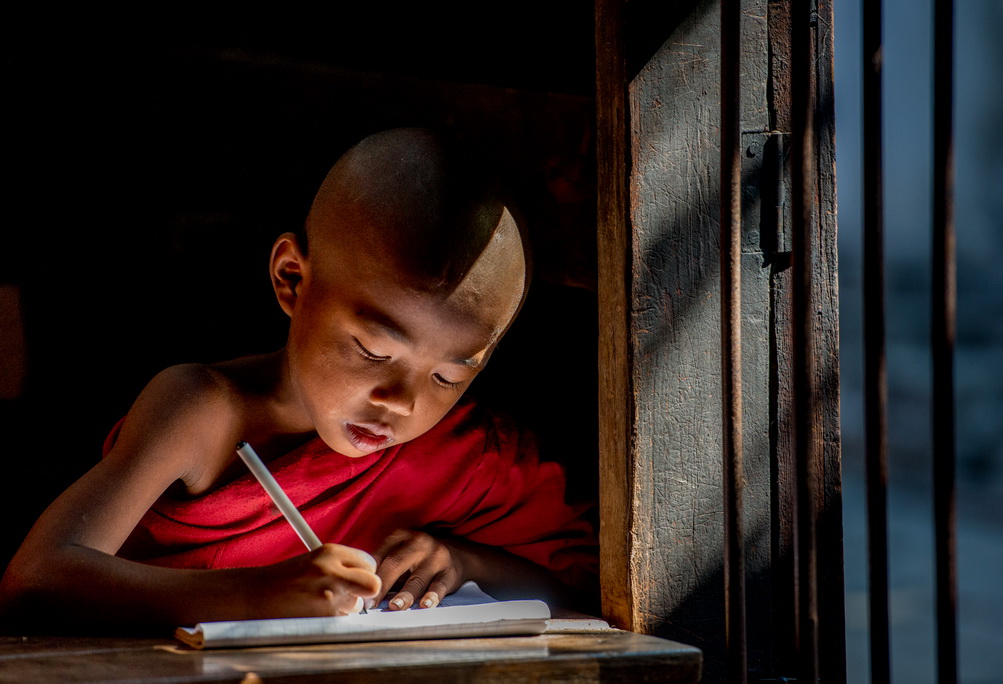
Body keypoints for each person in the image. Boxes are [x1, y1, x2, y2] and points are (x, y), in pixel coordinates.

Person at [0, 128, 596, 629]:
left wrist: (468, 563)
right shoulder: (205, 411)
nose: (402, 402)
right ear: (291, 278)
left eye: (447, 375)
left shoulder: (466, 455)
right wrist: (260, 595)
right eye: (373, 349)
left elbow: (591, 588)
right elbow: (38, 577)